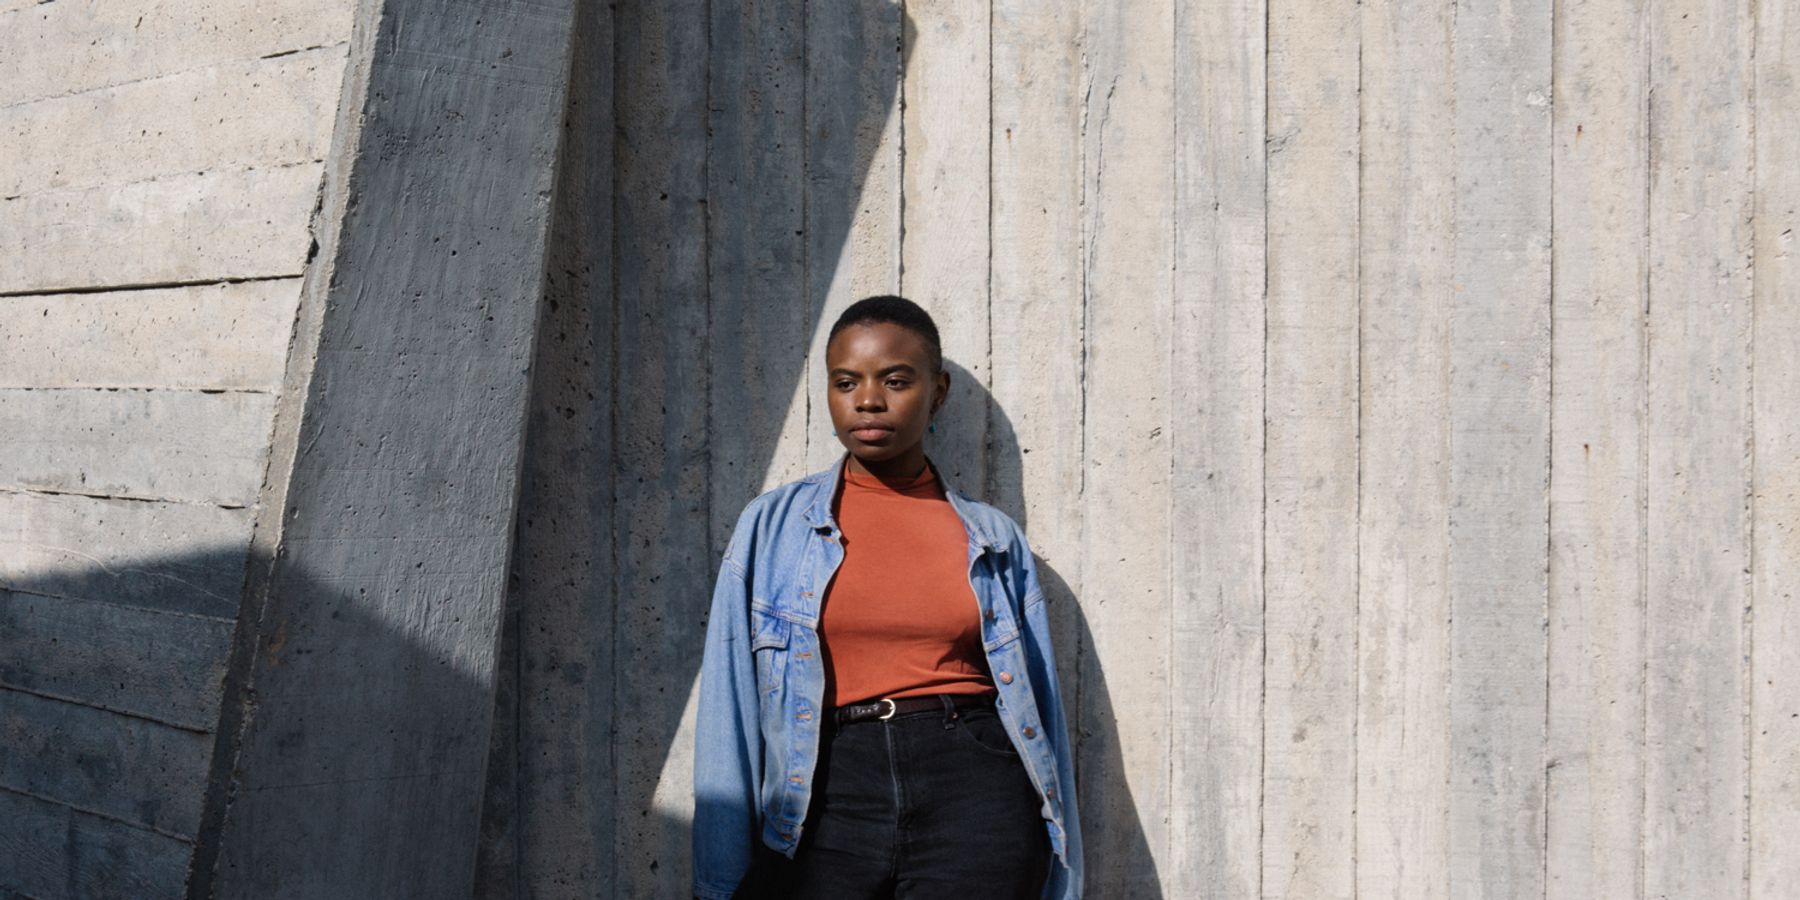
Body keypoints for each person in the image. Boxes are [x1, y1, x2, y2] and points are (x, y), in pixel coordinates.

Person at [692, 295, 1083, 899]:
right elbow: (730, 702)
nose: (868, 400)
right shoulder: (772, 527)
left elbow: (1042, 710)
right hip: (823, 791)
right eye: (845, 382)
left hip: (973, 791)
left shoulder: (994, 537)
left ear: (939, 391)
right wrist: (719, 877)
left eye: (896, 380)